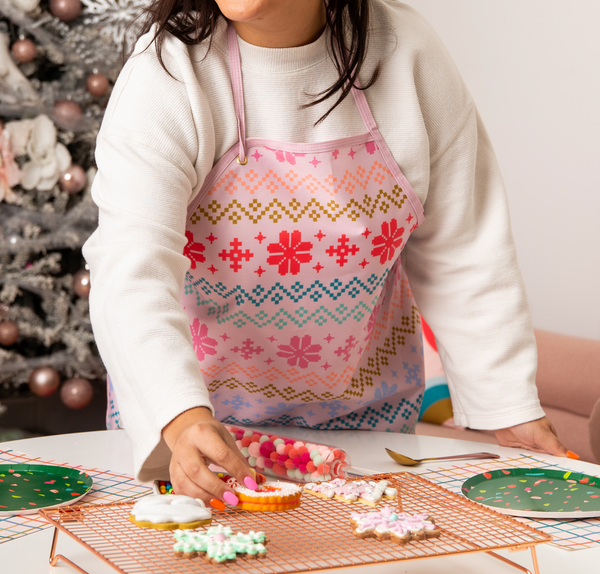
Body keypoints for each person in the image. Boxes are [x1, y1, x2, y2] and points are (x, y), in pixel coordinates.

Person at [83, 0, 569, 509]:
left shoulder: (408, 53)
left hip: (369, 427)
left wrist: (510, 407)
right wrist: (181, 416)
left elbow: (465, 248)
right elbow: (131, 266)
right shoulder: (167, 72)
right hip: (199, 434)